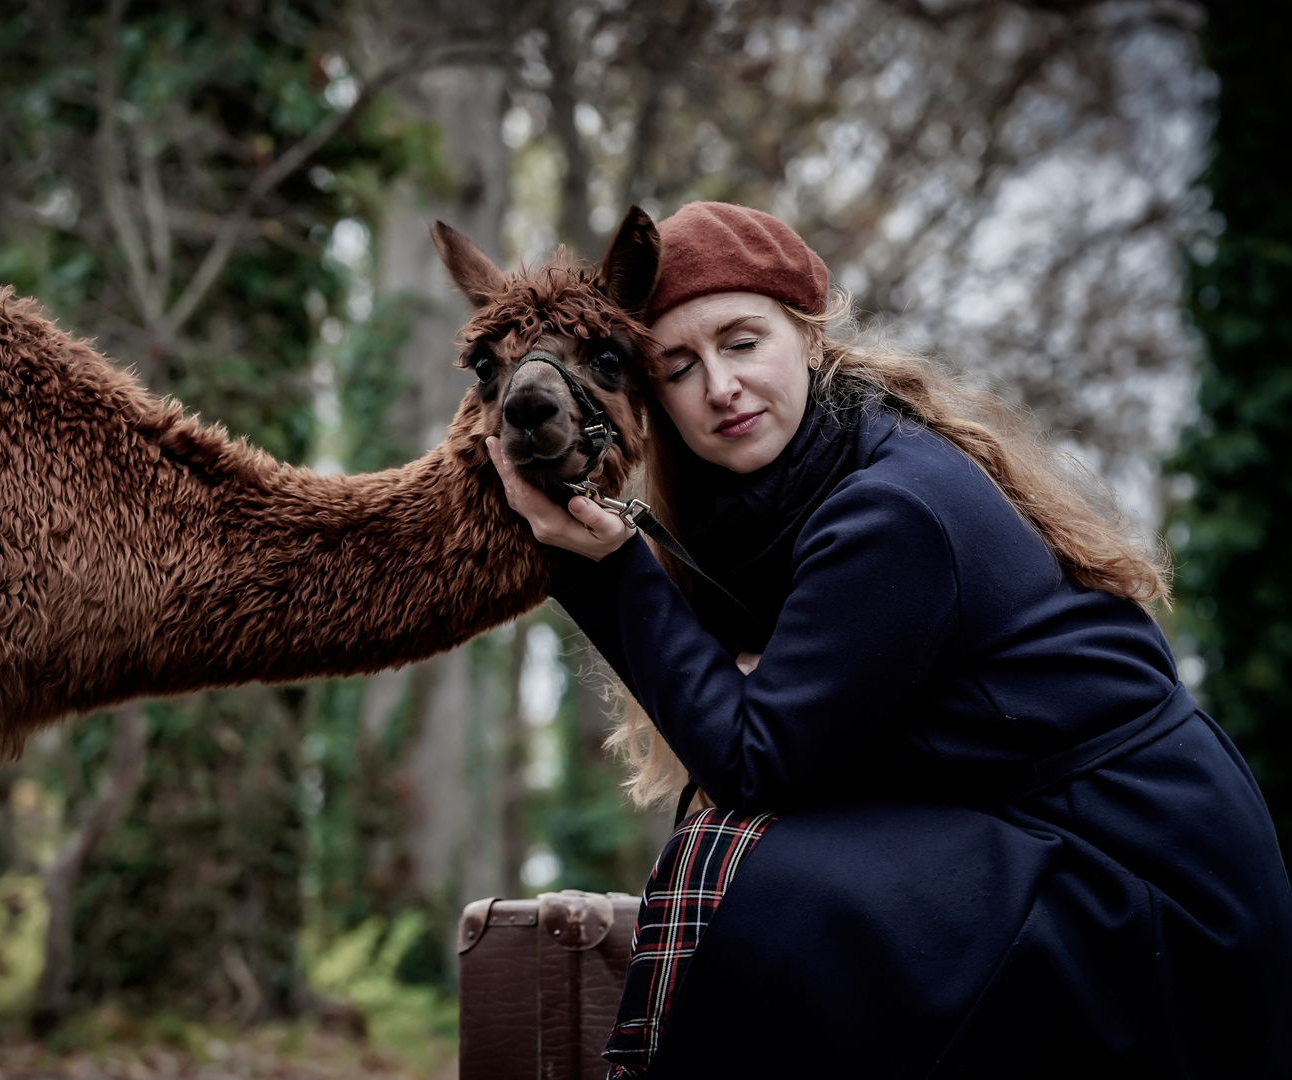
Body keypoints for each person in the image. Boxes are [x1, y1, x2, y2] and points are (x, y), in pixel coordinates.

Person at [486, 202, 1292, 1078]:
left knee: (763, 872)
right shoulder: (789, 494)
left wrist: (611, 570)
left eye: (743, 342)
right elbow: (777, 738)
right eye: (679, 367)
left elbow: (755, 761)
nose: (720, 386)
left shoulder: (891, 509)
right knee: (736, 846)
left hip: (1152, 890)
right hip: (1037, 831)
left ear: (810, 335)